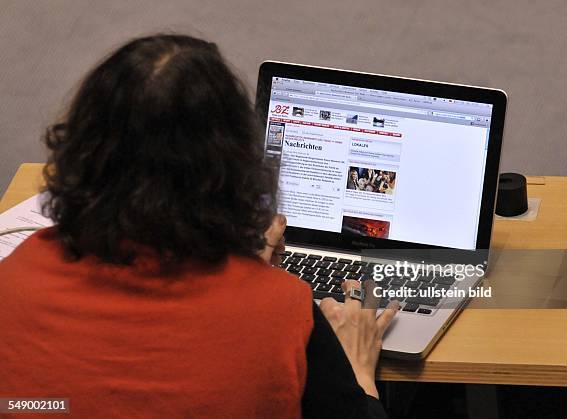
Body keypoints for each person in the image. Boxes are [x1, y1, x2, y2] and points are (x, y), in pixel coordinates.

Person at [0, 34, 398, 418]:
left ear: (80, 149)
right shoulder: (285, 313)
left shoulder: (14, 281)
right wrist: (358, 369)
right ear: (238, 166)